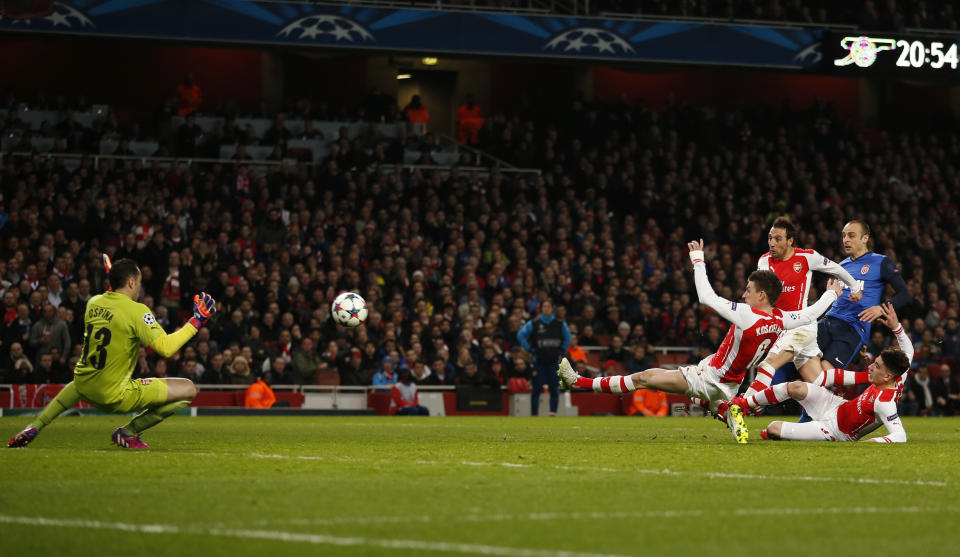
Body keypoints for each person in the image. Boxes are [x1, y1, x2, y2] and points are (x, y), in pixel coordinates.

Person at [558, 239, 842, 443]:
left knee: (644, 377)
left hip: (710, 377)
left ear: (762, 296)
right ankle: (725, 412)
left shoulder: (747, 315)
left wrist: (698, 261)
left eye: (748, 290)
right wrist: (831, 295)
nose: (743, 294)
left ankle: (577, 383)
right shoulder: (781, 319)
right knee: (701, 395)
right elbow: (809, 314)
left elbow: (707, 298)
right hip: (730, 383)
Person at [8, 257, 216, 449]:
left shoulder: (93, 303)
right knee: (188, 389)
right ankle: (128, 432)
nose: (140, 287)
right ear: (132, 283)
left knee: (80, 382)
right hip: (115, 396)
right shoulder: (137, 311)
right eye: (139, 281)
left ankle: (35, 426)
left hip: (83, 385)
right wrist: (196, 321)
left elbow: (111, 303)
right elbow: (166, 348)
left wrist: (114, 280)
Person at [747, 217, 862, 396]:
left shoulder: (806, 257)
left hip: (801, 326)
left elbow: (835, 269)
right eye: (770, 238)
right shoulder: (764, 262)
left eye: (777, 239)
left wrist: (854, 287)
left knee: (768, 365)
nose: (772, 243)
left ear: (790, 240)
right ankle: (851, 397)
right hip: (782, 327)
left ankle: (741, 405)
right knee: (818, 382)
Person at [802, 220, 912, 378]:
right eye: (844, 236)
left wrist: (881, 308)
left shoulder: (881, 262)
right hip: (827, 321)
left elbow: (905, 295)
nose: (846, 239)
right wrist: (830, 294)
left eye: (851, 235)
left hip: (853, 328)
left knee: (824, 373)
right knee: (798, 360)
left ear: (865, 238)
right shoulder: (842, 265)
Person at [517, 298, 571, 416]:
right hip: (538, 362)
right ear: (541, 309)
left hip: (554, 362)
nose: (546, 308)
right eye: (544, 306)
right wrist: (529, 349)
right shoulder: (534, 323)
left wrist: (562, 349)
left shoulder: (560, 324)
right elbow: (520, 335)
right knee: (536, 389)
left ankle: (552, 413)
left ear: (552, 309)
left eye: (548, 306)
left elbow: (568, 337)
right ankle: (535, 414)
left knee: (554, 389)